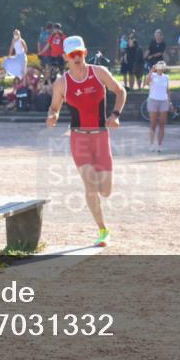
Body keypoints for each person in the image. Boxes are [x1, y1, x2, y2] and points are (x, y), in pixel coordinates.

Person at [47, 36, 126, 247]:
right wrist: (52, 116)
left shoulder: (99, 73)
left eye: (79, 53)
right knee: (90, 186)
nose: (77, 57)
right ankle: (102, 230)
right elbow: (54, 107)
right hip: (79, 139)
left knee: (106, 191)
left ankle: (102, 218)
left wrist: (116, 114)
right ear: (65, 57)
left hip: (101, 137)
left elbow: (120, 91)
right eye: (72, 55)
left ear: (85, 52)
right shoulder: (62, 82)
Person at [145, 61, 172, 152]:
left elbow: (167, 90)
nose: (160, 69)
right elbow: (146, 83)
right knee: (153, 123)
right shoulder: (152, 75)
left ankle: (160, 145)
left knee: (162, 124)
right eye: (159, 66)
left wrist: (170, 102)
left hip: (163, 101)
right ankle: (152, 144)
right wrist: (151, 71)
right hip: (153, 100)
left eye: (162, 67)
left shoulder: (166, 77)